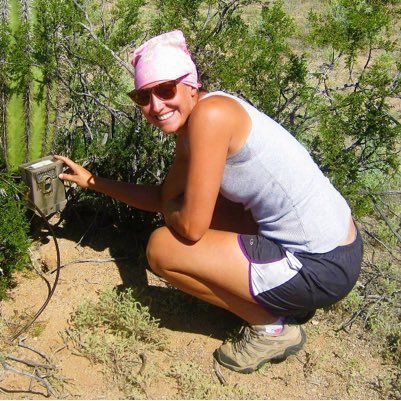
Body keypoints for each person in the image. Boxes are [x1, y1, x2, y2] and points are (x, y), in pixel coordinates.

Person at [55, 29, 363, 374]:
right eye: (143, 96)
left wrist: (174, 209)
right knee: (207, 208)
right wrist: (94, 182)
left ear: (191, 85)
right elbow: (163, 196)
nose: (155, 105)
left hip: (321, 267)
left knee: (162, 249)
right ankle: (282, 295)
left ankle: (273, 327)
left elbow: (188, 223)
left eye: (165, 90)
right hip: (339, 248)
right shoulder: (198, 120)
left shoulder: (210, 118)